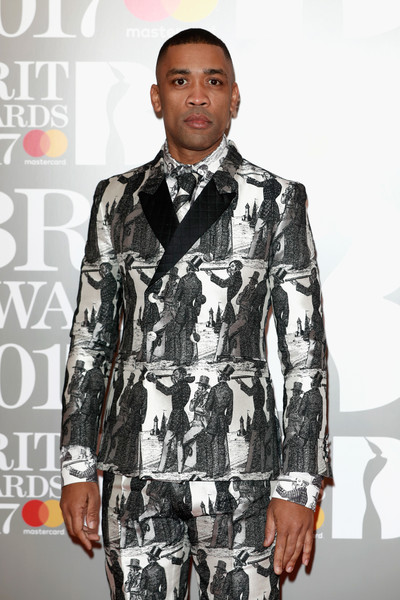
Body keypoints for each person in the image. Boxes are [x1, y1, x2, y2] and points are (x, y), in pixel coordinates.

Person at [60, 28, 331, 600]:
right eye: (180, 81)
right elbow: (90, 341)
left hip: (242, 475)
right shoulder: (116, 197)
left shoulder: (275, 198)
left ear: (234, 97)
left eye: (214, 81)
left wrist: (299, 484)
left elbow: (304, 353)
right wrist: (78, 466)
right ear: (157, 97)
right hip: (134, 469)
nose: (198, 96)